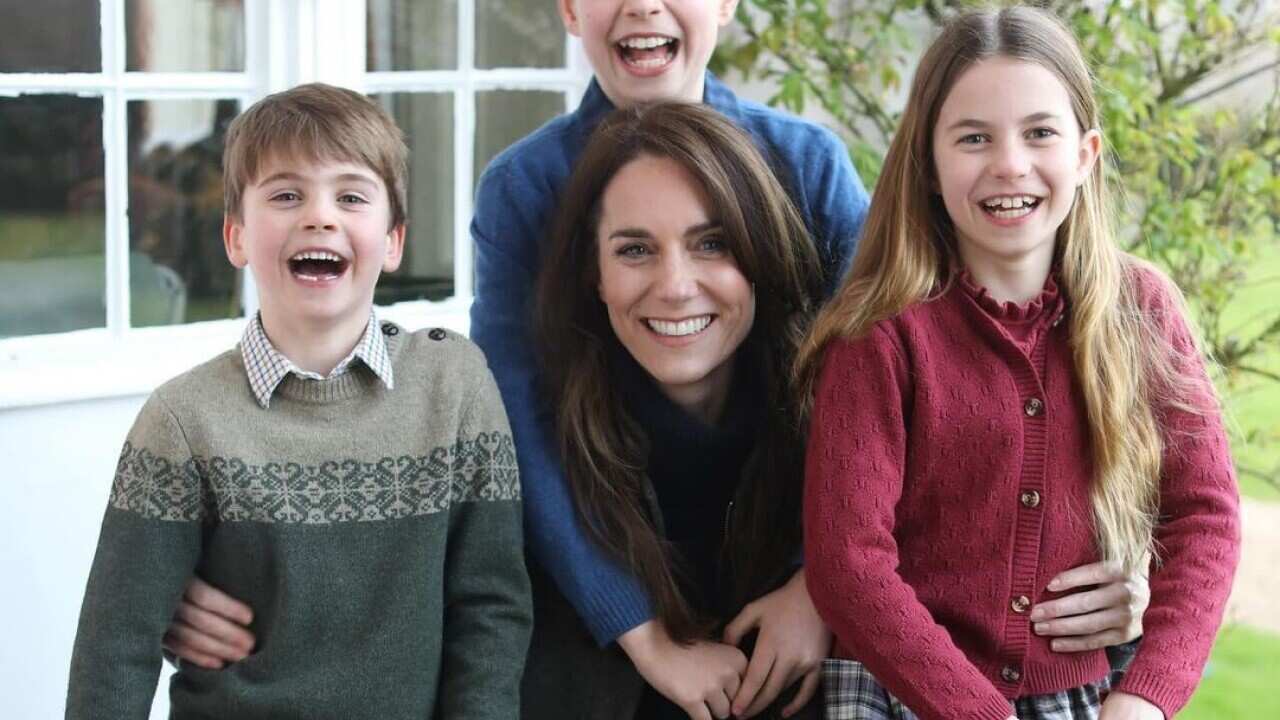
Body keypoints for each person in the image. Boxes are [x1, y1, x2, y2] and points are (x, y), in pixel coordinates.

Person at [160, 2, 1153, 716]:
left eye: (715, 242)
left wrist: (827, 588)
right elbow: (507, 436)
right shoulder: (526, 190)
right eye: (633, 247)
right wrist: (231, 569)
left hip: (793, 588)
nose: (675, 282)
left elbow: (928, 387)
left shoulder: (803, 167)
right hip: (598, 597)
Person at [798, 7, 1240, 720]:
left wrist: (1146, 695)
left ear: (1086, 154)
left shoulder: (1142, 309)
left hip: (1080, 699)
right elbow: (849, 564)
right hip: (900, 693)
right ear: (930, 168)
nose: (1010, 163)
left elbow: (1206, 518)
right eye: (974, 138)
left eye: (1040, 133)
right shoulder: (879, 336)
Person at [65, 83, 532, 719]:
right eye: (286, 195)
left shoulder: (453, 385)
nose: (320, 216)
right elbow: (115, 647)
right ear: (236, 237)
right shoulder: (182, 420)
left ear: (393, 240)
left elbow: (491, 611)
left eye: (350, 196)